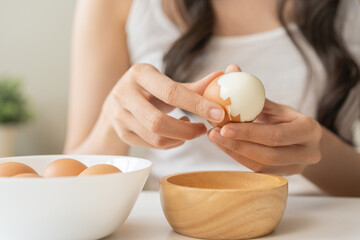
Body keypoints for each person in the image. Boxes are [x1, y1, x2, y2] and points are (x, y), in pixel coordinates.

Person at [64, 0, 360, 196]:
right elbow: (68, 178)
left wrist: (315, 151)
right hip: (169, 220)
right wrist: (111, 122)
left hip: (320, 225)